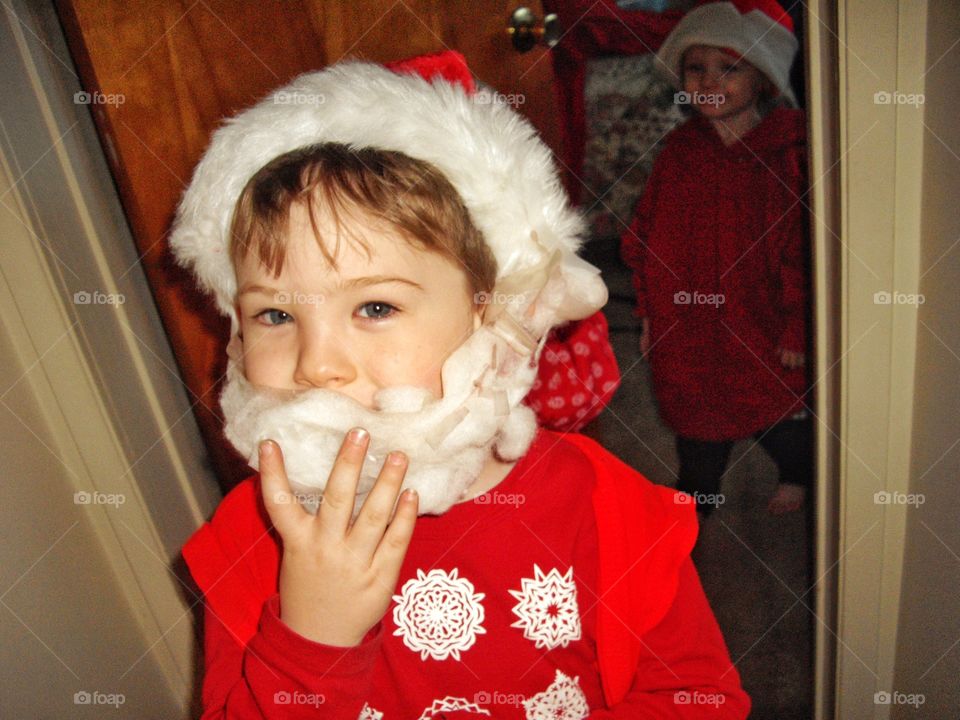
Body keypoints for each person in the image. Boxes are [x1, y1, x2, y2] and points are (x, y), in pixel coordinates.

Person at [175, 50, 750, 718]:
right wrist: (311, 642)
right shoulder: (250, 535)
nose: (316, 364)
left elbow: (697, 698)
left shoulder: (602, 507)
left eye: (375, 307)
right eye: (276, 314)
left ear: (490, 307)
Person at [621, 0, 812, 517]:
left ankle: (799, 471)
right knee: (696, 420)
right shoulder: (680, 152)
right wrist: (647, 311)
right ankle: (696, 500)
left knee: (773, 416)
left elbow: (801, 251)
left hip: (761, 320)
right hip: (689, 325)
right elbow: (647, 237)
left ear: (763, 81)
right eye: (696, 68)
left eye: (729, 68)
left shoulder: (785, 155)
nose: (709, 80)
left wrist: (798, 326)